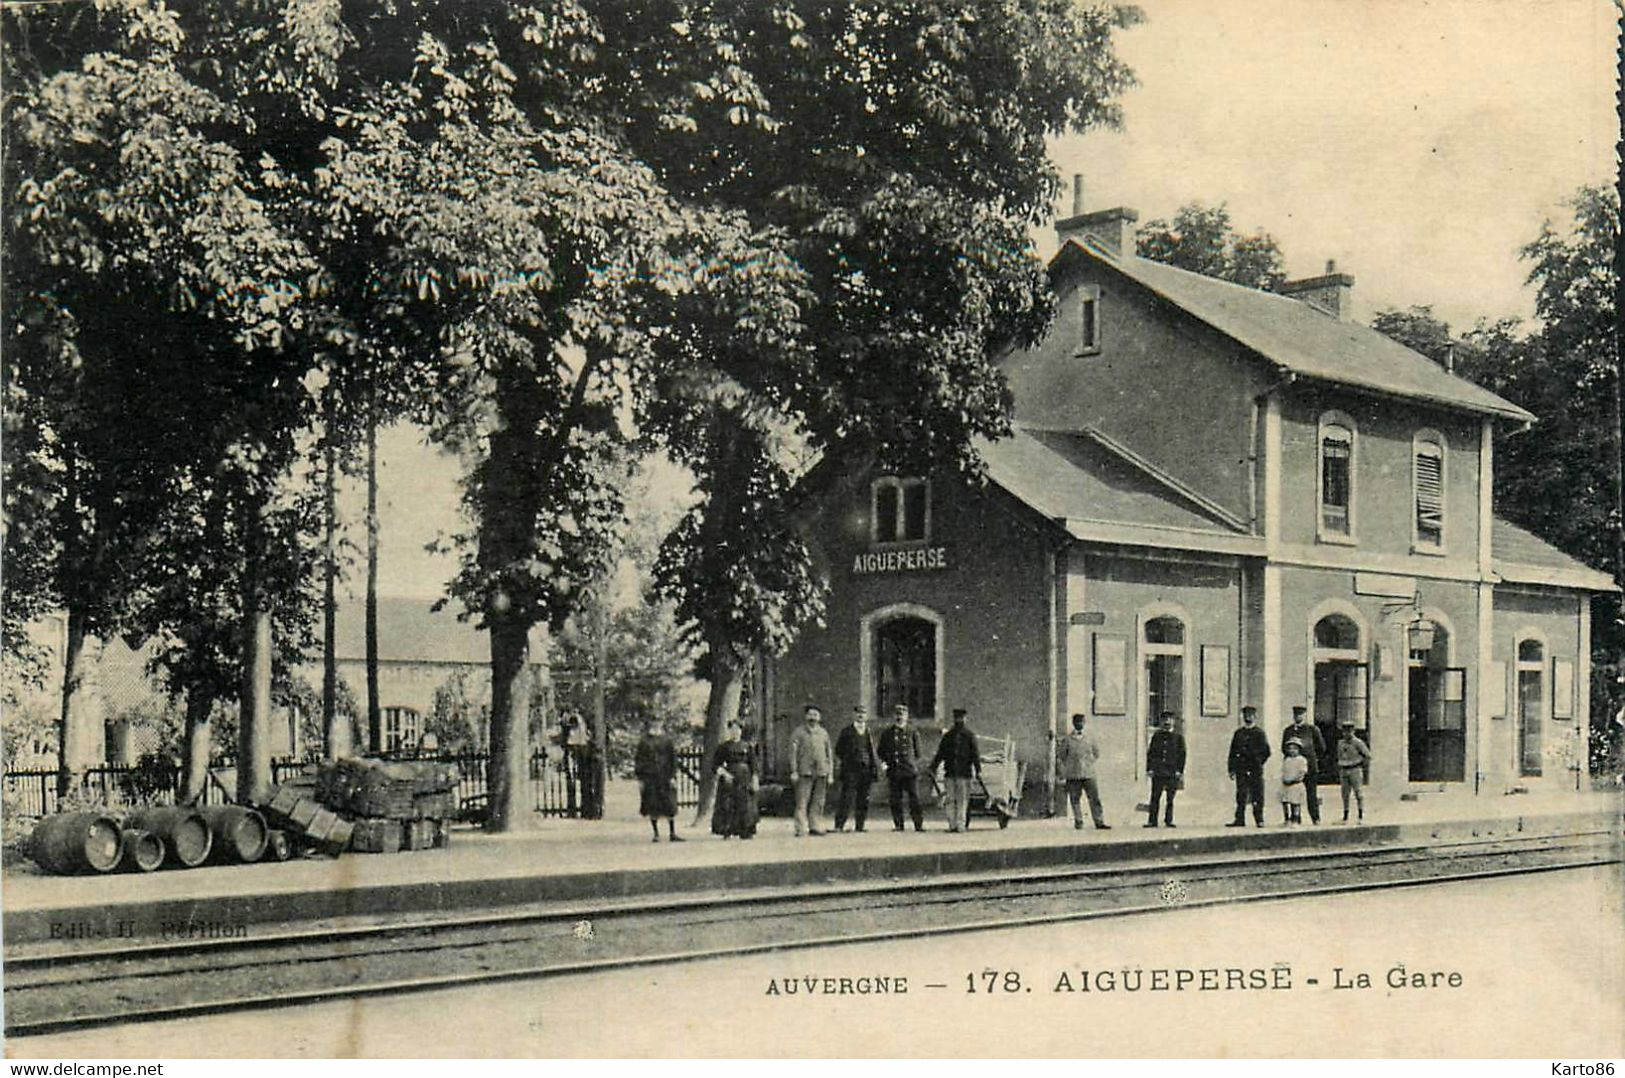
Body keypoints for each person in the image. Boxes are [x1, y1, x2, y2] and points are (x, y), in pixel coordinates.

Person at [1054, 712, 1110, 830]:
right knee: (1075, 798)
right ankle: (1078, 821)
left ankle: (1099, 821)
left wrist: (1088, 763)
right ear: (1073, 723)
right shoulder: (1068, 739)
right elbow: (1062, 755)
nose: (1079, 724)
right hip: (1073, 774)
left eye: (1081, 722)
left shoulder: (1090, 738)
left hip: (1089, 774)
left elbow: (1096, 753)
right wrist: (1070, 765)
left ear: (1084, 723)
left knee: (1094, 798)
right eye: (1077, 722)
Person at [930, 708, 981, 833]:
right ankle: (952, 824)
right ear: (954, 719)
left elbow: (975, 755)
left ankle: (961, 824)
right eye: (957, 718)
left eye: (961, 718)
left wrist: (978, 770)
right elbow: (940, 753)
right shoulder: (948, 736)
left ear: (965, 719)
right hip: (950, 773)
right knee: (950, 800)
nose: (959, 720)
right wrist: (933, 767)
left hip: (964, 774)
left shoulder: (969, 736)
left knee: (962, 801)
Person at [634, 717, 683, 842]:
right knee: (653, 804)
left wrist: (672, 776)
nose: (656, 725)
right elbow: (639, 760)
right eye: (654, 723)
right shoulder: (644, 741)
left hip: (665, 776)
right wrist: (640, 778)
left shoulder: (667, 740)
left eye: (659, 723)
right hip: (650, 777)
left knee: (669, 805)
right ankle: (656, 834)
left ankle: (672, 833)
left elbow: (673, 759)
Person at [788, 705, 834, 837]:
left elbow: (828, 753)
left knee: (819, 801)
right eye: (811, 715)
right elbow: (793, 753)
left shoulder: (823, 733)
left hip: (821, 771)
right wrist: (794, 771)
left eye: (816, 715)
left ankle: (815, 825)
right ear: (806, 716)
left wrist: (830, 773)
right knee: (802, 800)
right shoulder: (798, 732)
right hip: (804, 771)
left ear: (819, 718)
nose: (813, 718)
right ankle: (801, 827)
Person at [878, 704, 925, 832]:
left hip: (909, 771)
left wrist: (912, 764)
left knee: (914, 798)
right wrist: (886, 764)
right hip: (894, 770)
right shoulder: (887, 733)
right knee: (895, 799)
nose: (900, 717)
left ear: (907, 716)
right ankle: (899, 824)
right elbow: (881, 751)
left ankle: (918, 824)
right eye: (898, 715)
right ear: (894, 716)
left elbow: (918, 752)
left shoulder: (912, 731)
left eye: (902, 715)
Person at [833, 705, 879, 832]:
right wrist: (849, 760)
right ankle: (839, 825)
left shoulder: (868, 732)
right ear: (853, 715)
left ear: (866, 716)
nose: (860, 716)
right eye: (858, 713)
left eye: (863, 713)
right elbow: (839, 749)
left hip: (865, 770)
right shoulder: (846, 731)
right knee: (846, 797)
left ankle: (860, 826)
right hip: (851, 770)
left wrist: (872, 767)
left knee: (863, 799)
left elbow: (871, 751)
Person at [710, 721, 759, 839]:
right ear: (729, 731)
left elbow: (754, 765)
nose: (735, 732)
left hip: (745, 779)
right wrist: (725, 774)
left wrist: (755, 779)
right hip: (730, 779)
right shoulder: (723, 747)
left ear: (741, 731)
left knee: (746, 804)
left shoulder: (748, 747)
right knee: (728, 804)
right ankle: (727, 830)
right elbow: (715, 765)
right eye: (732, 730)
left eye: (737, 729)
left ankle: (745, 830)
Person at [1226, 705, 1272, 827]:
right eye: (1246, 715)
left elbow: (1266, 752)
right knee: (1241, 794)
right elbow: (1232, 751)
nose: (1248, 717)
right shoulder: (1238, 733)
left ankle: (1259, 819)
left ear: (1255, 717)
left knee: (1257, 794)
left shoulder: (1259, 733)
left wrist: (1258, 762)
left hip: (1255, 769)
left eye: (1251, 715)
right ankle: (1239, 819)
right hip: (1241, 768)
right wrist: (1231, 769)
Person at [1281, 705, 1326, 824]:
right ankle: (1296, 818)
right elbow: (1284, 748)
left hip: (1309, 767)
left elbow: (1321, 748)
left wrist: (1312, 760)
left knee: (1311, 793)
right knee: (1292, 793)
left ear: (1304, 715)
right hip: (1293, 768)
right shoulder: (1288, 730)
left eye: (1300, 714)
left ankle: (1315, 818)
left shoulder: (1312, 729)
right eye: (1296, 714)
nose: (1298, 717)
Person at [1144, 711, 1186, 828]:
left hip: (1172, 772)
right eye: (1164, 720)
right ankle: (1152, 821)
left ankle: (1169, 820)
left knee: (1170, 798)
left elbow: (1182, 755)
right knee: (1155, 797)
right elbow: (1151, 753)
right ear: (1161, 722)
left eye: (1169, 720)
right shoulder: (1156, 736)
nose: (1167, 722)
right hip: (1158, 771)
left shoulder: (1178, 737)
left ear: (1173, 722)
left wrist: (1179, 771)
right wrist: (1150, 768)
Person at [1335, 721, 1373, 823]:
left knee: (1358, 793)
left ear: (1353, 731)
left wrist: (1359, 764)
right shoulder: (1340, 743)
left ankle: (1361, 815)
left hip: (1355, 769)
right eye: (1345, 731)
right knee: (1345, 794)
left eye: (1350, 731)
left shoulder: (1358, 743)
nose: (1347, 733)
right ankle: (1345, 816)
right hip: (1344, 769)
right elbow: (1339, 755)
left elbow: (1368, 756)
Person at [1279, 739, 1308, 825]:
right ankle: (1287, 819)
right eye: (1290, 749)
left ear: (1299, 750)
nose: (1292, 751)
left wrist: (1294, 780)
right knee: (1285, 801)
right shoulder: (1287, 760)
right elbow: (1284, 771)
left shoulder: (1301, 760)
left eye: (1295, 748)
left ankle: (1295, 818)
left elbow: (1302, 773)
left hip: (1296, 784)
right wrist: (1284, 779)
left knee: (1295, 802)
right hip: (1286, 784)